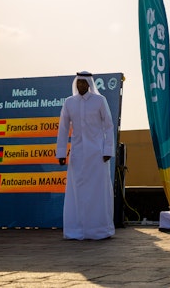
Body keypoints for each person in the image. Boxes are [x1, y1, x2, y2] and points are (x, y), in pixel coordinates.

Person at [56, 71, 116, 239]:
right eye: (79, 82)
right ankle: (76, 229)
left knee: (97, 191)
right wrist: (61, 152)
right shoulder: (69, 102)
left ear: (89, 84)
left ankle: (100, 229)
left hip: (97, 153)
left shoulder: (99, 100)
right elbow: (63, 128)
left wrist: (108, 150)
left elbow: (109, 126)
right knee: (77, 191)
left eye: (84, 82)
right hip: (77, 153)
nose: (81, 85)